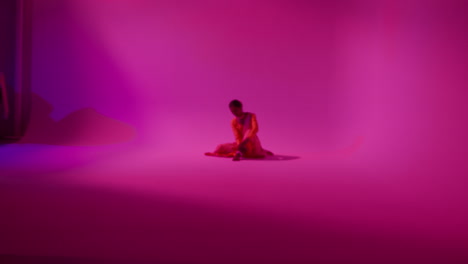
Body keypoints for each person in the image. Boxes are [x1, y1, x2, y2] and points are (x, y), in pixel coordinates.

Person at [205, 99, 273, 161]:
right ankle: (240, 151)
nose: (234, 113)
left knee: (249, 131)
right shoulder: (233, 122)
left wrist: (245, 142)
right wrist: (240, 145)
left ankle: (240, 153)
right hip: (242, 146)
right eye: (232, 111)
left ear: (241, 108)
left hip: (252, 143)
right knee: (220, 147)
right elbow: (237, 137)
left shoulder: (251, 116)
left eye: (236, 110)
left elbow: (255, 129)